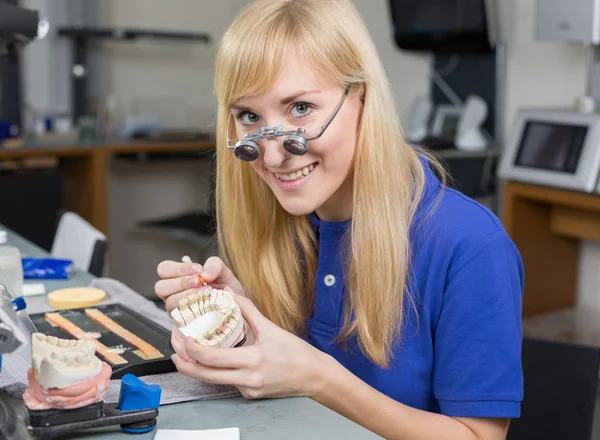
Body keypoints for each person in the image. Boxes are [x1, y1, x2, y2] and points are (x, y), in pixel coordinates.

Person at [154, 1, 524, 438]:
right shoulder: (287, 220)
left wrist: (319, 378)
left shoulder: (470, 245)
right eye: (250, 117)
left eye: (301, 109)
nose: (273, 156)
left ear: (363, 97)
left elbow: (479, 437)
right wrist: (244, 326)